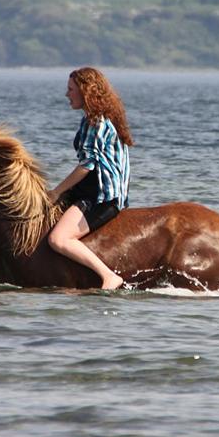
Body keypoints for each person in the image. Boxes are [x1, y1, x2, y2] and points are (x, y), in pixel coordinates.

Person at [47, 67, 133, 290]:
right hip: (89, 190)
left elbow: (87, 165)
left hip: (101, 196)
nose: (67, 94)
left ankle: (109, 276)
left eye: (70, 89)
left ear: (85, 91)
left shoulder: (96, 123)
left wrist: (56, 192)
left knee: (58, 239)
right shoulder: (94, 120)